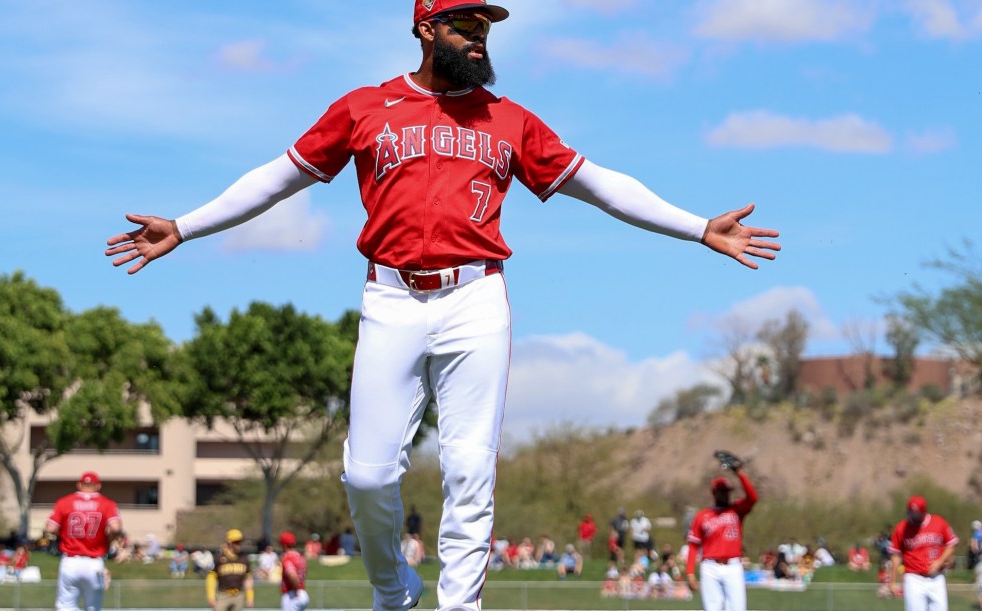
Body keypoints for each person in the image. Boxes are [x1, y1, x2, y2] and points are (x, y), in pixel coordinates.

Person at [104, 2, 781, 608]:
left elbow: (601, 184)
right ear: (426, 29)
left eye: (486, 27)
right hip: (390, 297)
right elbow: (278, 178)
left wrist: (697, 226)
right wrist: (186, 226)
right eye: (466, 25)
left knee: (467, 469)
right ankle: (393, 587)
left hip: (476, 298)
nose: (480, 38)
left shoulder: (508, 118)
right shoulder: (364, 107)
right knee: (365, 476)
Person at [45, 471, 123, 611]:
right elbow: (116, 527)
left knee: (66, 606)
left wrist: (63, 532)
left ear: (79, 484)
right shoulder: (107, 503)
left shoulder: (64, 502)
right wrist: (109, 538)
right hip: (94, 562)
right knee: (93, 607)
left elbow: (50, 528)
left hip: (70, 561)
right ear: (98, 486)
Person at [685, 462, 758, 611]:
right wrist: (690, 572)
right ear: (714, 493)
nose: (725, 494)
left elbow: (753, 498)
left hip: (733, 566)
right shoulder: (702, 516)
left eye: (727, 491)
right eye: (721, 491)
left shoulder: (737, 509)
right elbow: (693, 546)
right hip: (710, 567)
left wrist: (740, 473)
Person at [888, 495, 957, 611]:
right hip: (913, 578)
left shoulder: (939, 522)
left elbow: (951, 544)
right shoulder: (901, 528)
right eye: (911, 513)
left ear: (924, 512)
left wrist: (939, 562)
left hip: (936, 578)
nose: (912, 516)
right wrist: (892, 581)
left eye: (916, 514)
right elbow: (895, 555)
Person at [206, 529, 254, 611]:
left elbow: (248, 579)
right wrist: (211, 596)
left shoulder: (244, 558)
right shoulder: (220, 557)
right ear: (229, 543)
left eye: (240, 542)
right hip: (223, 595)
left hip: (238, 595)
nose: (239, 545)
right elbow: (211, 577)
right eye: (236, 542)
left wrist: (250, 597)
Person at [278, 532, 309, 611]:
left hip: (293, 594)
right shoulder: (300, 557)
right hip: (303, 593)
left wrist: (296, 590)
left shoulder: (287, 558)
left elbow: (292, 574)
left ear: (284, 545)